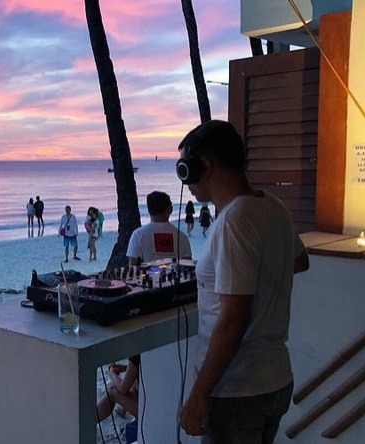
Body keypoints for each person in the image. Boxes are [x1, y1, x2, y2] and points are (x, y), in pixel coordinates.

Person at [175, 120, 310, 442]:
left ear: (204, 165)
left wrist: (198, 396)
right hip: (274, 378)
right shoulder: (271, 205)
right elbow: (299, 260)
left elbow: (234, 319)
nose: (186, 183)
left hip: (237, 389)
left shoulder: (234, 221)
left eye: (185, 169)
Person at [126, 191, 191, 266]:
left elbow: (132, 265)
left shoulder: (138, 234)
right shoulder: (181, 236)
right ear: (169, 210)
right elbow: (188, 264)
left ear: (149, 210)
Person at [96, 356, 140, 422]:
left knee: (112, 391)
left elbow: (123, 389)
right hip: (157, 403)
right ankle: (122, 411)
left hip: (151, 411)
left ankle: (90, 419)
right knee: (133, 380)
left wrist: (112, 373)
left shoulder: (136, 356)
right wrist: (126, 368)